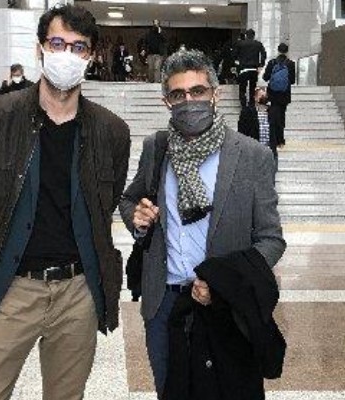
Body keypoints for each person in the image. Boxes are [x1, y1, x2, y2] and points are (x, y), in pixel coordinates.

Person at [0, 5, 130, 400]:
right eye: (57, 43)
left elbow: (103, 206)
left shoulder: (111, 132)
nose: (67, 55)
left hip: (77, 292)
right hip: (11, 286)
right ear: (40, 48)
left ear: (91, 57)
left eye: (78, 47)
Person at [119, 49, 286, 399]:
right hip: (164, 304)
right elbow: (130, 199)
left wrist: (223, 282)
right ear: (166, 101)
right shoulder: (157, 148)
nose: (188, 101)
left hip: (224, 306)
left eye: (197, 91)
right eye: (178, 94)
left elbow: (271, 239)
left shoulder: (252, 156)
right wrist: (138, 218)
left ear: (215, 94)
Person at [238, 87, 282, 177]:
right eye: (261, 96)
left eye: (264, 96)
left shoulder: (273, 112)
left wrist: (279, 141)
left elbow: (278, 129)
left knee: (270, 179)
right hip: (254, 153)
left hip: (269, 152)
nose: (263, 98)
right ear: (255, 98)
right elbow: (241, 132)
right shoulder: (247, 112)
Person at [263, 43, 296, 151]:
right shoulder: (290, 64)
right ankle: (281, 141)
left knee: (272, 117)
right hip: (284, 95)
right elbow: (292, 81)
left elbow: (265, 77)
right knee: (281, 116)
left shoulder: (272, 62)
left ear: (278, 50)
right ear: (287, 51)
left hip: (273, 95)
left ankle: (273, 139)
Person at [233, 29, 266, 107]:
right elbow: (264, 54)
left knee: (242, 88)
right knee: (252, 87)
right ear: (254, 36)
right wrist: (261, 65)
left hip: (243, 68)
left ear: (246, 35)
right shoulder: (258, 44)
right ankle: (251, 103)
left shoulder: (240, 43)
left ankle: (243, 105)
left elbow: (234, 54)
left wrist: (237, 63)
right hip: (254, 69)